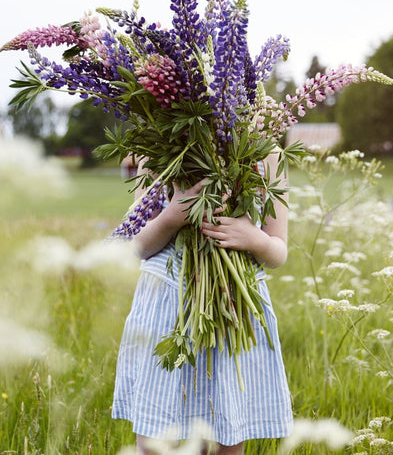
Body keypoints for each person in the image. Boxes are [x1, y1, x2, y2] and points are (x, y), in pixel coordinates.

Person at [112, 152, 294, 455]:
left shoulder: (267, 153)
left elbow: (278, 251)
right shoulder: (157, 146)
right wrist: (173, 215)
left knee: (226, 431)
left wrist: (254, 239)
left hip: (232, 306)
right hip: (165, 306)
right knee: (157, 437)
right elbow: (137, 246)